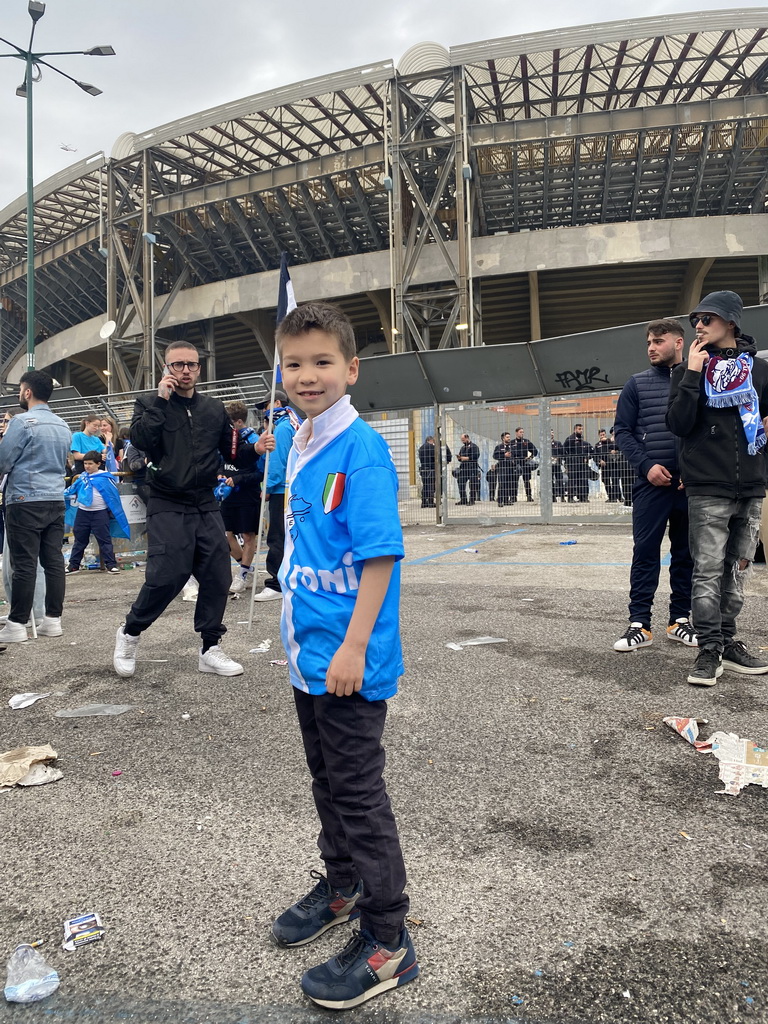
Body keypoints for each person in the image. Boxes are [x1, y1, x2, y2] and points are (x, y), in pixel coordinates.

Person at [271, 301, 417, 1009]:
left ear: (351, 369)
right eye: (294, 362)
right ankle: (342, 885)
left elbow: (380, 555)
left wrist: (355, 645)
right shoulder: (298, 442)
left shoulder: (359, 448)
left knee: (359, 796)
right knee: (326, 782)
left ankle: (388, 938)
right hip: (309, 657)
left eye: (322, 361)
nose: (307, 374)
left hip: (348, 662)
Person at [112, 342, 275, 678]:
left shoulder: (214, 409)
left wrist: (255, 448)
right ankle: (130, 633)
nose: (185, 370)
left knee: (218, 575)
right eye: (177, 365)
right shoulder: (147, 403)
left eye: (191, 364)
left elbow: (232, 454)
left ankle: (210, 647)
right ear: (166, 368)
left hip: (204, 502)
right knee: (166, 576)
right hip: (166, 500)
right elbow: (141, 439)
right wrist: (161, 400)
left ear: (200, 368)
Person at [667, 290, 768, 685]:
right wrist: (692, 372)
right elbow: (678, 423)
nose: (698, 325)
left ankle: (727, 641)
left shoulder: (758, 370)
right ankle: (709, 648)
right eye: (696, 319)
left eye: (707, 319)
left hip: (751, 484)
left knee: (738, 568)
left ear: (730, 323)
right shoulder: (687, 371)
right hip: (707, 485)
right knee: (707, 571)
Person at [613, 319, 696, 653]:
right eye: (649, 342)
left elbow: (706, 431)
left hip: (689, 486)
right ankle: (639, 624)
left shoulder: (698, 381)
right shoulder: (637, 384)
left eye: (658, 341)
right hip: (650, 485)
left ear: (679, 343)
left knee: (686, 554)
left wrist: (694, 471)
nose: (651, 347)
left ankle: (679, 620)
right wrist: (646, 466)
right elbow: (622, 431)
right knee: (645, 552)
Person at [0, 371, 71, 643]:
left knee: (24, 563)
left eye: (20, 390)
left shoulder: (21, 421)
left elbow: (3, 461)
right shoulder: (63, 425)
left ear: (27, 392)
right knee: (53, 561)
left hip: (25, 499)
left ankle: (17, 623)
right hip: (54, 498)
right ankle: (52, 620)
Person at [255, 390, 301, 602]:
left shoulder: (282, 428)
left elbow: (276, 462)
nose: (264, 411)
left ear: (276, 403)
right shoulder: (295, 423)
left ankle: (276, 583)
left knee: (277, 536)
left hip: (281, 490)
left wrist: (268, 487)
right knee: (290, 536)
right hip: (294, 489)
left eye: (265, 406)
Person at [221, 400, 264, 595]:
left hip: (248, 493)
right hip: (228, 495)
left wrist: (238, 479)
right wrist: (219, 474)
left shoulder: (254, 440)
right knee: (224, 535)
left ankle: (243, 574)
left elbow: (261, 472)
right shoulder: (225, 439)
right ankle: (248, 569)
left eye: (229, 424)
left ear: (239, 422)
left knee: (248, 535)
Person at [64, 450, 129, 574]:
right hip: (83, 513)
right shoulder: (82, 477)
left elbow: (113, 496)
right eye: (85, 464)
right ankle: (73, 565)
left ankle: (111, 565)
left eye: (90, 464)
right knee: (79, 540)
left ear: (98, 464)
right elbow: (71, 490)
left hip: (100, 513)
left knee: (104, 540)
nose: (87, 466)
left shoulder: (105, 478)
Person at [417, 435, 451, 509]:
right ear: (430, 440)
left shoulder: (421, 448)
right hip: (431, 469)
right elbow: (436, 458)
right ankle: (430, 502)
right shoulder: (432, 448)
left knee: (425, 485)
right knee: (431, 486)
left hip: (423, 469)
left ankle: (423, 502)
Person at [562, 424, 592, 502]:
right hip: (572, 463)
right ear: (575, 430)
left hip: (582, 463)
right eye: (579, 429)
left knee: (582, 480)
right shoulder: (570, 439)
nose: (581, 430)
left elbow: (591, 452)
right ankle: (570, 498)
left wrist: (587, 458)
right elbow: (563, 450)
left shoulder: (582, 441)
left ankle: (583, 497)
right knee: (572, 480)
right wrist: (567, 460)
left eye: (582, 429)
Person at [510, 426, 538, 502]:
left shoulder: (526, 442)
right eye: (520, 432)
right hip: (515, 463)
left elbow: (535, 451)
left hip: (525, 463)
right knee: (514, 481)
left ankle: (529, 496)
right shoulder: (512, 443)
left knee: (526, 480)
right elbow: (509, 453)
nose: (522, 433)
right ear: (516, 433)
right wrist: (512, 460)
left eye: (523, 432)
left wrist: (530, 457)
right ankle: (513, 497)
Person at [456, 432, 480, 504]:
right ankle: (463, 499)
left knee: (472, 484)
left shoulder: (474, 447)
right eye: (461, 440)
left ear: (467, 438)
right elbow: (461, 457)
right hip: (463, 468)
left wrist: (465, 458)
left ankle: (472, 500)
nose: (462, 441)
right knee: (460, 483)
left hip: (472, 467)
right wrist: (459, 458)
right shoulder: (463, 448)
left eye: (463, 440)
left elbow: (476, 456)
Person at [492, 432, 514, 505]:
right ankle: (500, 501)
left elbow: (516, 455)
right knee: (502, 484)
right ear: (503, 438)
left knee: (508, 484)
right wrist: (504, 455)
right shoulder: (499, 447)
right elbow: (495, 456)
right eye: (507, 437)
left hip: (510, 467)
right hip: (502, 467)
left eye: (509, 437)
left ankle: (506, 500)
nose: (509, 438)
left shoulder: (512, 447)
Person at [550, 430, 566, 502]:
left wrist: (557, 458)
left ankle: (562, 497)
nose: (552, 434)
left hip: (557, 465)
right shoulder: (544, 444)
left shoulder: (558, 443)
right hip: (549, 467)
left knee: (559, 480)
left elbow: (563, 453)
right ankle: (553, 497)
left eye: (552, 433)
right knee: (550, 481)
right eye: (550, 433)